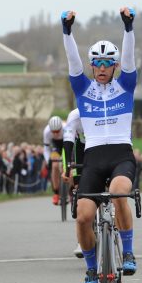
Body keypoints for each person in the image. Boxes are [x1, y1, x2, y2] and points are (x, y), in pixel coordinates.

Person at [61, 6, 138, 283]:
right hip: (92, 157)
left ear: (115, 66)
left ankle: (128, 253)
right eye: (98, 63)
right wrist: (67, 33)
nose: (103, 67)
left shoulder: (126, 86)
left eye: (108, 62)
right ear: (92, 66)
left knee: (119, 192)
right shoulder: (82, 89)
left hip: (120, 155)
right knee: (82, 216)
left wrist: (128, 29)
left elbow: (130, 58)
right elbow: (72, 62)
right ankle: (91, 270)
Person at [62, 107, 86, 258]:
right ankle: (81, 240)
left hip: (103, 147)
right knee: (79, 191)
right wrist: (66, 169)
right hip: (81, 150)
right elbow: (67, 145)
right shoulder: (75, 115)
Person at [43, 115, 64, 205]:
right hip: (55, 146)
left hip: (66, 143)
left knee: (69, 167)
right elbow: (46, 148)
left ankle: (71, 191)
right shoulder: (47, 131)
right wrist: (48, 161)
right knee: (55, 165)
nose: (55, 133)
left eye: (57, 131)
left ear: (61, 128)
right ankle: (56, 192)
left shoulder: (66, 127)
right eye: (53, 131)